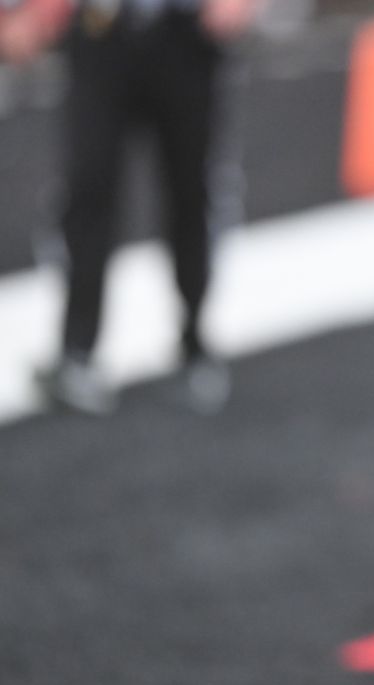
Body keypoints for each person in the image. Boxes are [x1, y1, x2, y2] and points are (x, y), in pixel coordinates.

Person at [0, 0, 260, 414]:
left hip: (184, 33)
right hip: (102, 28)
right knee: (88, 189)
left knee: (191, 190)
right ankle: (77, 351)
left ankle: (195, 340)